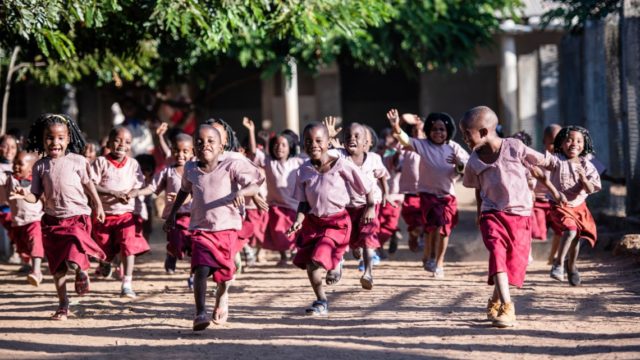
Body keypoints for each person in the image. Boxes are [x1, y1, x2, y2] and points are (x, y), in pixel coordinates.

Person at [460, 106, 562, 328]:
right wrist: (479, 213)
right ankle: (508, 305)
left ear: (485, 131)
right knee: (497, 251)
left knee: (511, 261)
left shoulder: (514, 147)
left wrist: (559, 165)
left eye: (467, 134)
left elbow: (540, 160)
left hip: (520, 214)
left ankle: (496, 298)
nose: (464, 138)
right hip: (492, 213)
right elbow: (477, 188)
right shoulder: (474, 161)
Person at [164, 124, 263, 331]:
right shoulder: (191, 168)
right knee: (200, 269)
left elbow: (253, 185)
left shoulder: (230, 166)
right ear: (194, 148)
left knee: (225, 277)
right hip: (201, 229)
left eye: (210, 141)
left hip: (227, 230)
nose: (204, 145)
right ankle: (200, 312)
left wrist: (241, 193)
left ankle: (221, 295)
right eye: (199, 142)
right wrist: (173, 213)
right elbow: (184, 190)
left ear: (221, 146)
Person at [11, 113, 106, 321]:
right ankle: (63, 305)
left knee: (73, 250)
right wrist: (23, 194)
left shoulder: (78, 161)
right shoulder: (40, 166)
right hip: (52, 220)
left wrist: (98, 204)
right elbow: (35, 195)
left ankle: (81, 270)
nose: (55, 142)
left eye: (60, 138)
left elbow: (89, 184)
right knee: (57, 268)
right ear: (42, 139)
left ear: (68, 139)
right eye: (49, 138)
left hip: (77, 217)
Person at [287, 122, 372, 315]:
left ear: (328, 143)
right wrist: (298, 220)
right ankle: (321, 300)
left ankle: (336, 261)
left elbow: (366, 187)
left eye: (318, 140)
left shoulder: (341, 164)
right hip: (313, 223)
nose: (313, 145)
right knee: (310, 265)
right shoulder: (303, 171)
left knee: (319, 256)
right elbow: (303, 202)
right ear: (303, 144)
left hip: (337, 223)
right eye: (308, 141)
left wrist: (371, 207)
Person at [388, 109, 469, 278]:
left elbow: (466, 167)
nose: (438, 132)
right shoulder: (423, 145)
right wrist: (396, 125)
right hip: (428, 195)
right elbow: (404, 140)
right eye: (434, 129)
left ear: (448, 131)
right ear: (428, 131)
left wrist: (458, 164)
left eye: (442, 129)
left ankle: (439, 262)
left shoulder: (453, 147)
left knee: (444, 229)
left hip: (447, 196)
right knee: (433, 227)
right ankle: (429, 256)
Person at [325, 118, 388, 289]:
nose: (352, 138)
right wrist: (328, 137)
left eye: (357, 136)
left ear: (366, 142)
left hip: (368, 207)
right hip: (344, 208)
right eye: (348, 136)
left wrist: (386, 196)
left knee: (368, 239)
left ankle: (368, 273)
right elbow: (322, 154)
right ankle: (337, 266)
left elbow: (382, 176)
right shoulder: (340, 155)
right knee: (340, 239)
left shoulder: (374, 158)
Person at [91, 126, 149, 298]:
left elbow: (138, 186)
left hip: (126, 215)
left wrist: (131, 194)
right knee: (103, 248)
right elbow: (91, 185)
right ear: (108, 143)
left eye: (127, 142)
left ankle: (127, 283)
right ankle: (105, 263)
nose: (122, 144)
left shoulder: (133, 164)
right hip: (104, 216)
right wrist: (112, 193)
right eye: (117, 140)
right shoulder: (100, 162)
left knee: (128, 247)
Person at [544, 126, 601, 286]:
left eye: (579, 140)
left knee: (576, 239)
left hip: (579, 207)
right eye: (569, 140)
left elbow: (591, 189)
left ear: (585, 144)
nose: (574, 143)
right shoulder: (557, 160)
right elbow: (542, 161)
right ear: (561, 143)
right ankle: (558, 264)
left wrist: (584, 179)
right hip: (560, 205)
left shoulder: (587, 165)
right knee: (570, 231)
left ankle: (571, 266)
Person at [243, 117, 303, 266]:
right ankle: (284, 256)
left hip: (293, 206)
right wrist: (251, 131)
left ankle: (294, 252)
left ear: (290, 147)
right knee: (278, 232)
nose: (279, 147)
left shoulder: (297, 162)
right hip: (275, 205)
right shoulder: (269, 162)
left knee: (294, 233)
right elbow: (254, 151)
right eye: (276, 144)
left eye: (283, 145)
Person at [4, 151, 44, 285]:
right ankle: (29, 263)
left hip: (34, 220)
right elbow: (4, 196)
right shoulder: (10, 179)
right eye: (15, 163)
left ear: (31, 168)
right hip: (17, 222)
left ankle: (37, 272)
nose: (15, 166)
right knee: (22, 247)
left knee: (35, 242)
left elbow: (44, 198)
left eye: (20, 164)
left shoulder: (37, 182)